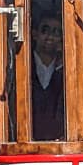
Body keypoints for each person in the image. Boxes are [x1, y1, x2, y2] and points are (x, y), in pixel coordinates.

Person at [30, 11, 65, 140]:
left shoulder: (66, 69)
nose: (50, 36)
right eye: (45, 30)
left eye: (56, 32)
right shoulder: (22, 66)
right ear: (35, 34)